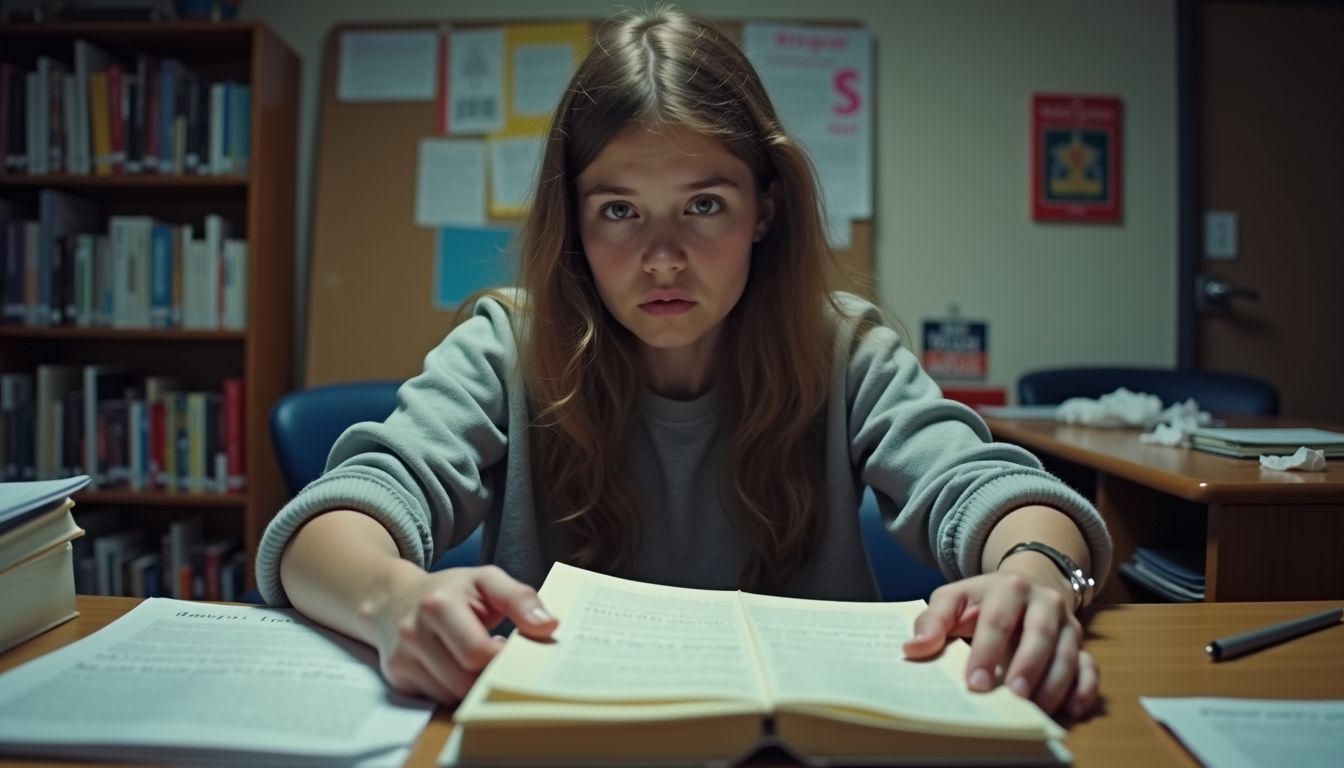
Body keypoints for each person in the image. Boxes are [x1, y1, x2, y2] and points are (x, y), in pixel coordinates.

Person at [257, 7, 1111, 720]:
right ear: (576, 226)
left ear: (764, 209)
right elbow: (334, 521)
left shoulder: (844, 350)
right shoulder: (508, 348)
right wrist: (392, 598)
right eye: (620, 210)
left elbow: (995, 491)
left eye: (704, 204)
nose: (663, 258)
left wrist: (1035, 576)